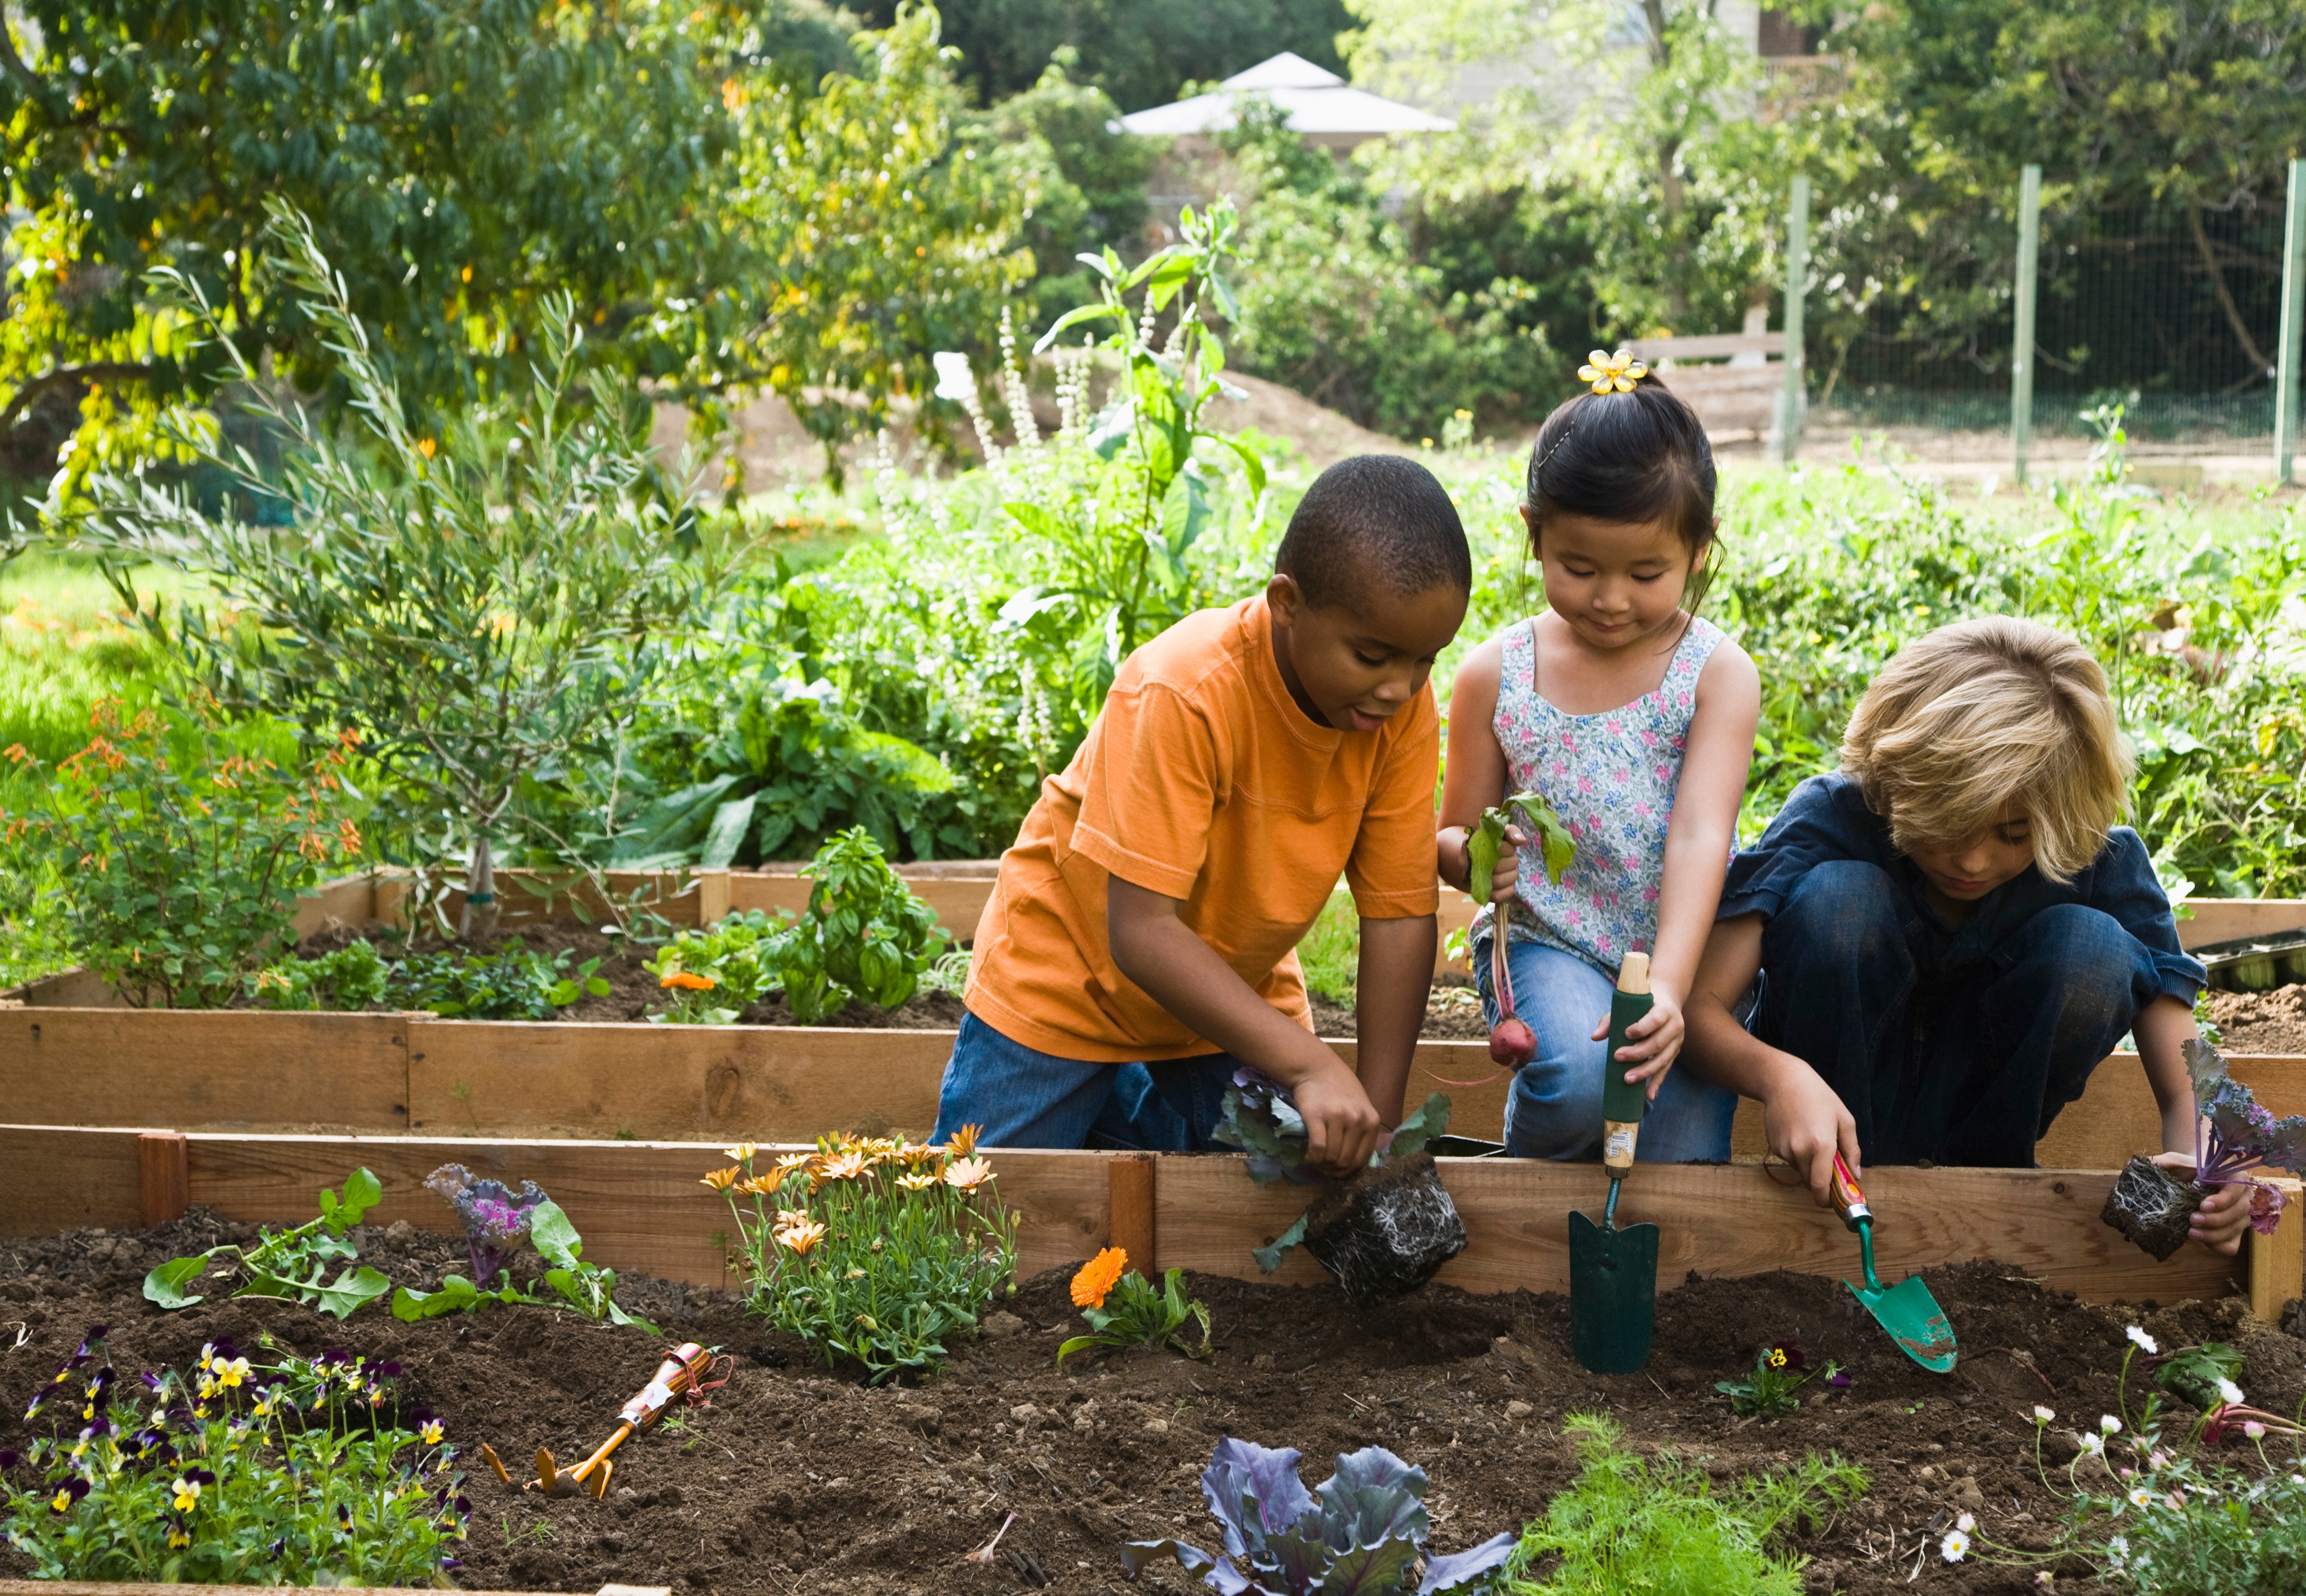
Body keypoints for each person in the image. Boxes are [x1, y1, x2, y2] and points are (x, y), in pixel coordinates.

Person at [936, 454, 1470, 1173]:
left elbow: (1400, 915)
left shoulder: (1394, 711)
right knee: (976, 1205)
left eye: (1424, 662)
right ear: (1287, 604)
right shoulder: (1184, 690)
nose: (1399, 688)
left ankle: (1120, 1102)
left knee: (1292, 1177)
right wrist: (1311, 1068)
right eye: (1372, 655)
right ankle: (1107, 1088)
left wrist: (1372, 1121)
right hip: (1069, 979)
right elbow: (1141, 933)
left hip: (1227, 992)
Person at [1679, 616, 2251, 1254]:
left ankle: (1987, 1191)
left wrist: (2207, 1171)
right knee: (1838, 901)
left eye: (2012, 836)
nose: (1972, 862)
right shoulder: (1833, 818)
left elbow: (2186, 1082)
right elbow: (1699, 1013)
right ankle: (1844, 1183)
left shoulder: (2100, 862)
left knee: (2090, 948)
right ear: (1893, 784)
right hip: (1831, 1146)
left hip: (1992, 1137)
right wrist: (1778, 1077)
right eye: (1947, 828)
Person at [1434, 351, 1761, 1159]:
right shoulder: (1495, 674)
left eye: (1646, 573)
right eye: (1578, 568)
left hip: (1680, 949)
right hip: (1552, 942)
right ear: (1533, 535)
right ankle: (1523, 1219)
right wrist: (1478, 862)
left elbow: (1698, 837)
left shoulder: (1714, 675)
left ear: (1699, 549)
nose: (1610, 599)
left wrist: (1673, 993)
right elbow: (1450, 835)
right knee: (1581, 1086)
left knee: (1676, 1163)